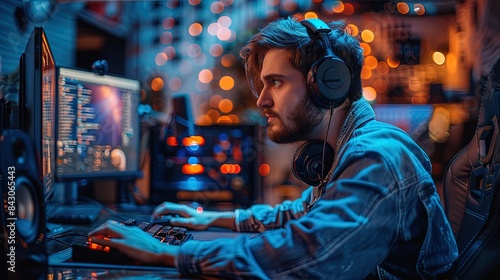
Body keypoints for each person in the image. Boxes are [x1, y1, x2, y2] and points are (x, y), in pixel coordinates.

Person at [89, 17, 458, 279]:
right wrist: (211, 220)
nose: (263, 100)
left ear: (327, 85)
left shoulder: (376, 157)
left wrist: (168, 252)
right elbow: (303, 214)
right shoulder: (351, 149)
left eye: (276, 82)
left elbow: (309, 254)